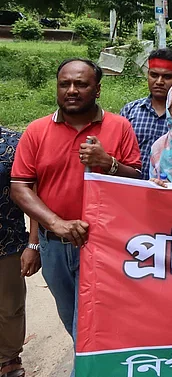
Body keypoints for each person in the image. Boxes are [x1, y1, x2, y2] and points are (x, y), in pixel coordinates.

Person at [10, 59, 141, 376]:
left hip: (104, 245)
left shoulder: (118, 127)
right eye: (64, 84)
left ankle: (88, 371)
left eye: (81, 84)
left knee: (91, 323)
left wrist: (107, 163)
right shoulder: (37, 131)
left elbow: (137, 179)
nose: (71, 90)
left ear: (97, 88)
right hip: (55, 246)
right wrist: (51, 228)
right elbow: (20, 186)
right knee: (71, 318)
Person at [0, 126, 40, 377]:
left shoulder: (14, 143)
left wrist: (33, 244)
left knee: (9, 306)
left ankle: (8, 358)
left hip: (8, 242)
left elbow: (33, 194)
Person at [120, 49, 172, 179]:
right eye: (154, 75)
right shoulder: (130, 111)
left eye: (167, 77)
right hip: (133, 189)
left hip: (170, 192)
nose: (159, 82)